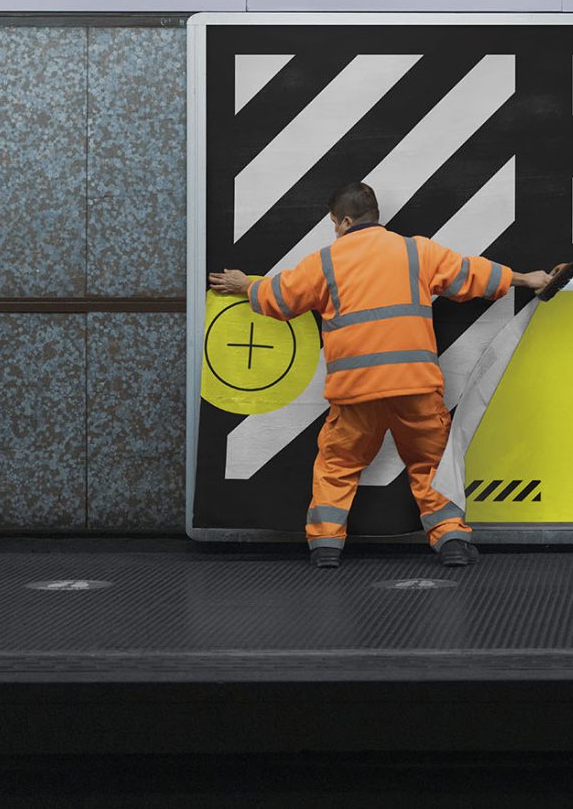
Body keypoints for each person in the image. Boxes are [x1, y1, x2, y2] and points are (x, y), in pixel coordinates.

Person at [208, 182, 553, 570]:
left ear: (346, 221)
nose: (334, 231)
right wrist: (527, 279)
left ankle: (325, 545)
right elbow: (472, 274)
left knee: (337, 465)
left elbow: (281, 297)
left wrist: (245, 286)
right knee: (432, 464)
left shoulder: (325, 263)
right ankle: (452, 539)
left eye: (334, 224)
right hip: (415, 386)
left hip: (356, 391)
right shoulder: (416, 251)